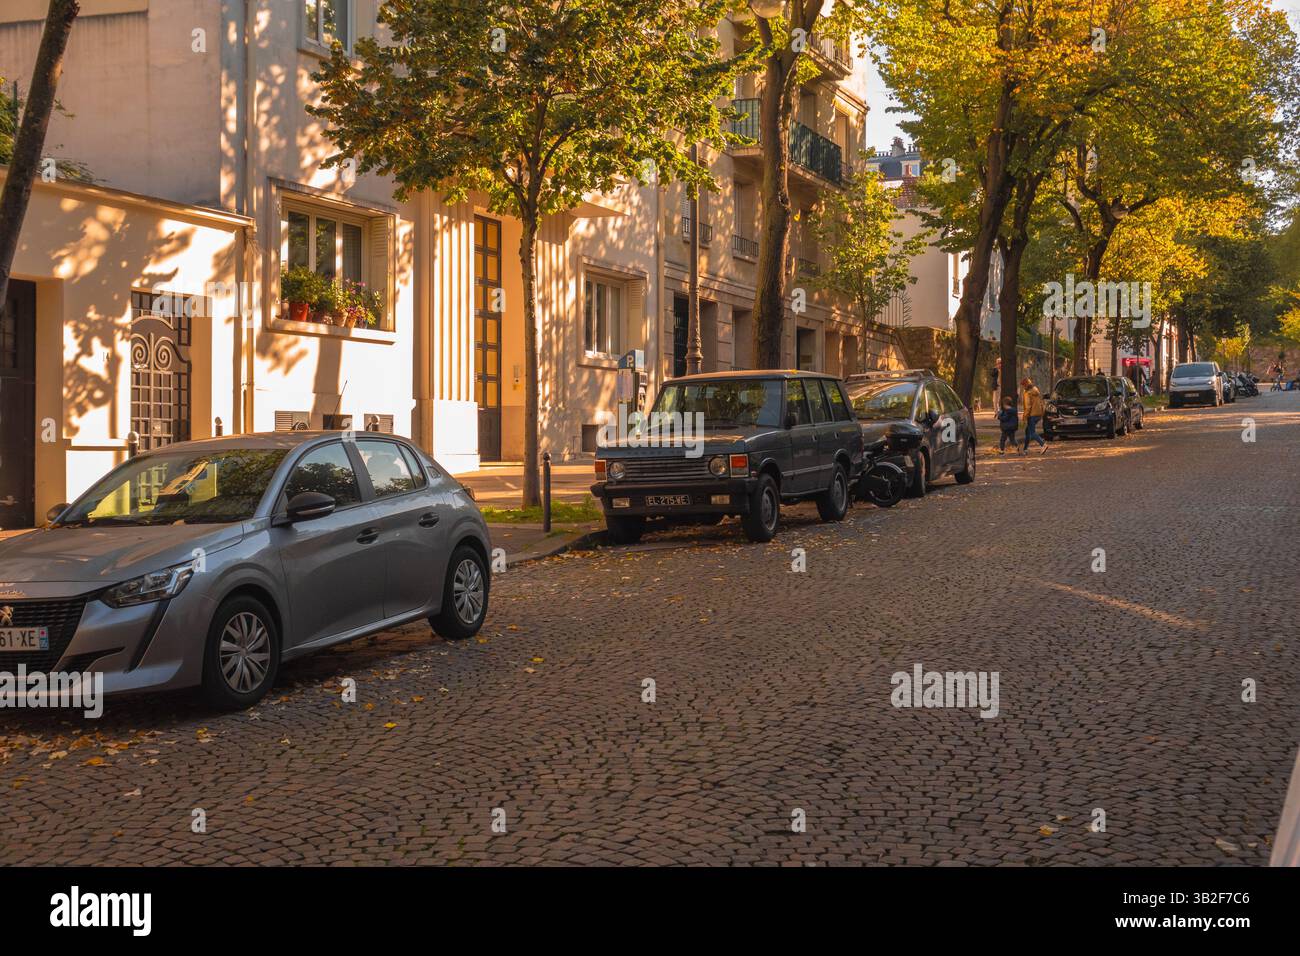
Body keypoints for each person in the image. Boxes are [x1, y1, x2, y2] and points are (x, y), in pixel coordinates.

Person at [1021, 377, 1047, 454]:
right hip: (1038, 414)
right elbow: (1041, 402)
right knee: (1027, 431)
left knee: (1032, 433)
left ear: (1025, 385)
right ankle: (1025, 449)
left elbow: (1028, 407)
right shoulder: (1036, 390)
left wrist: (1024, 417)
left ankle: (1043, 444)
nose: (1022, 387)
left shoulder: (1027, 393)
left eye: (1023, 385)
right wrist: (1042, 412)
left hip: (1032, 415)